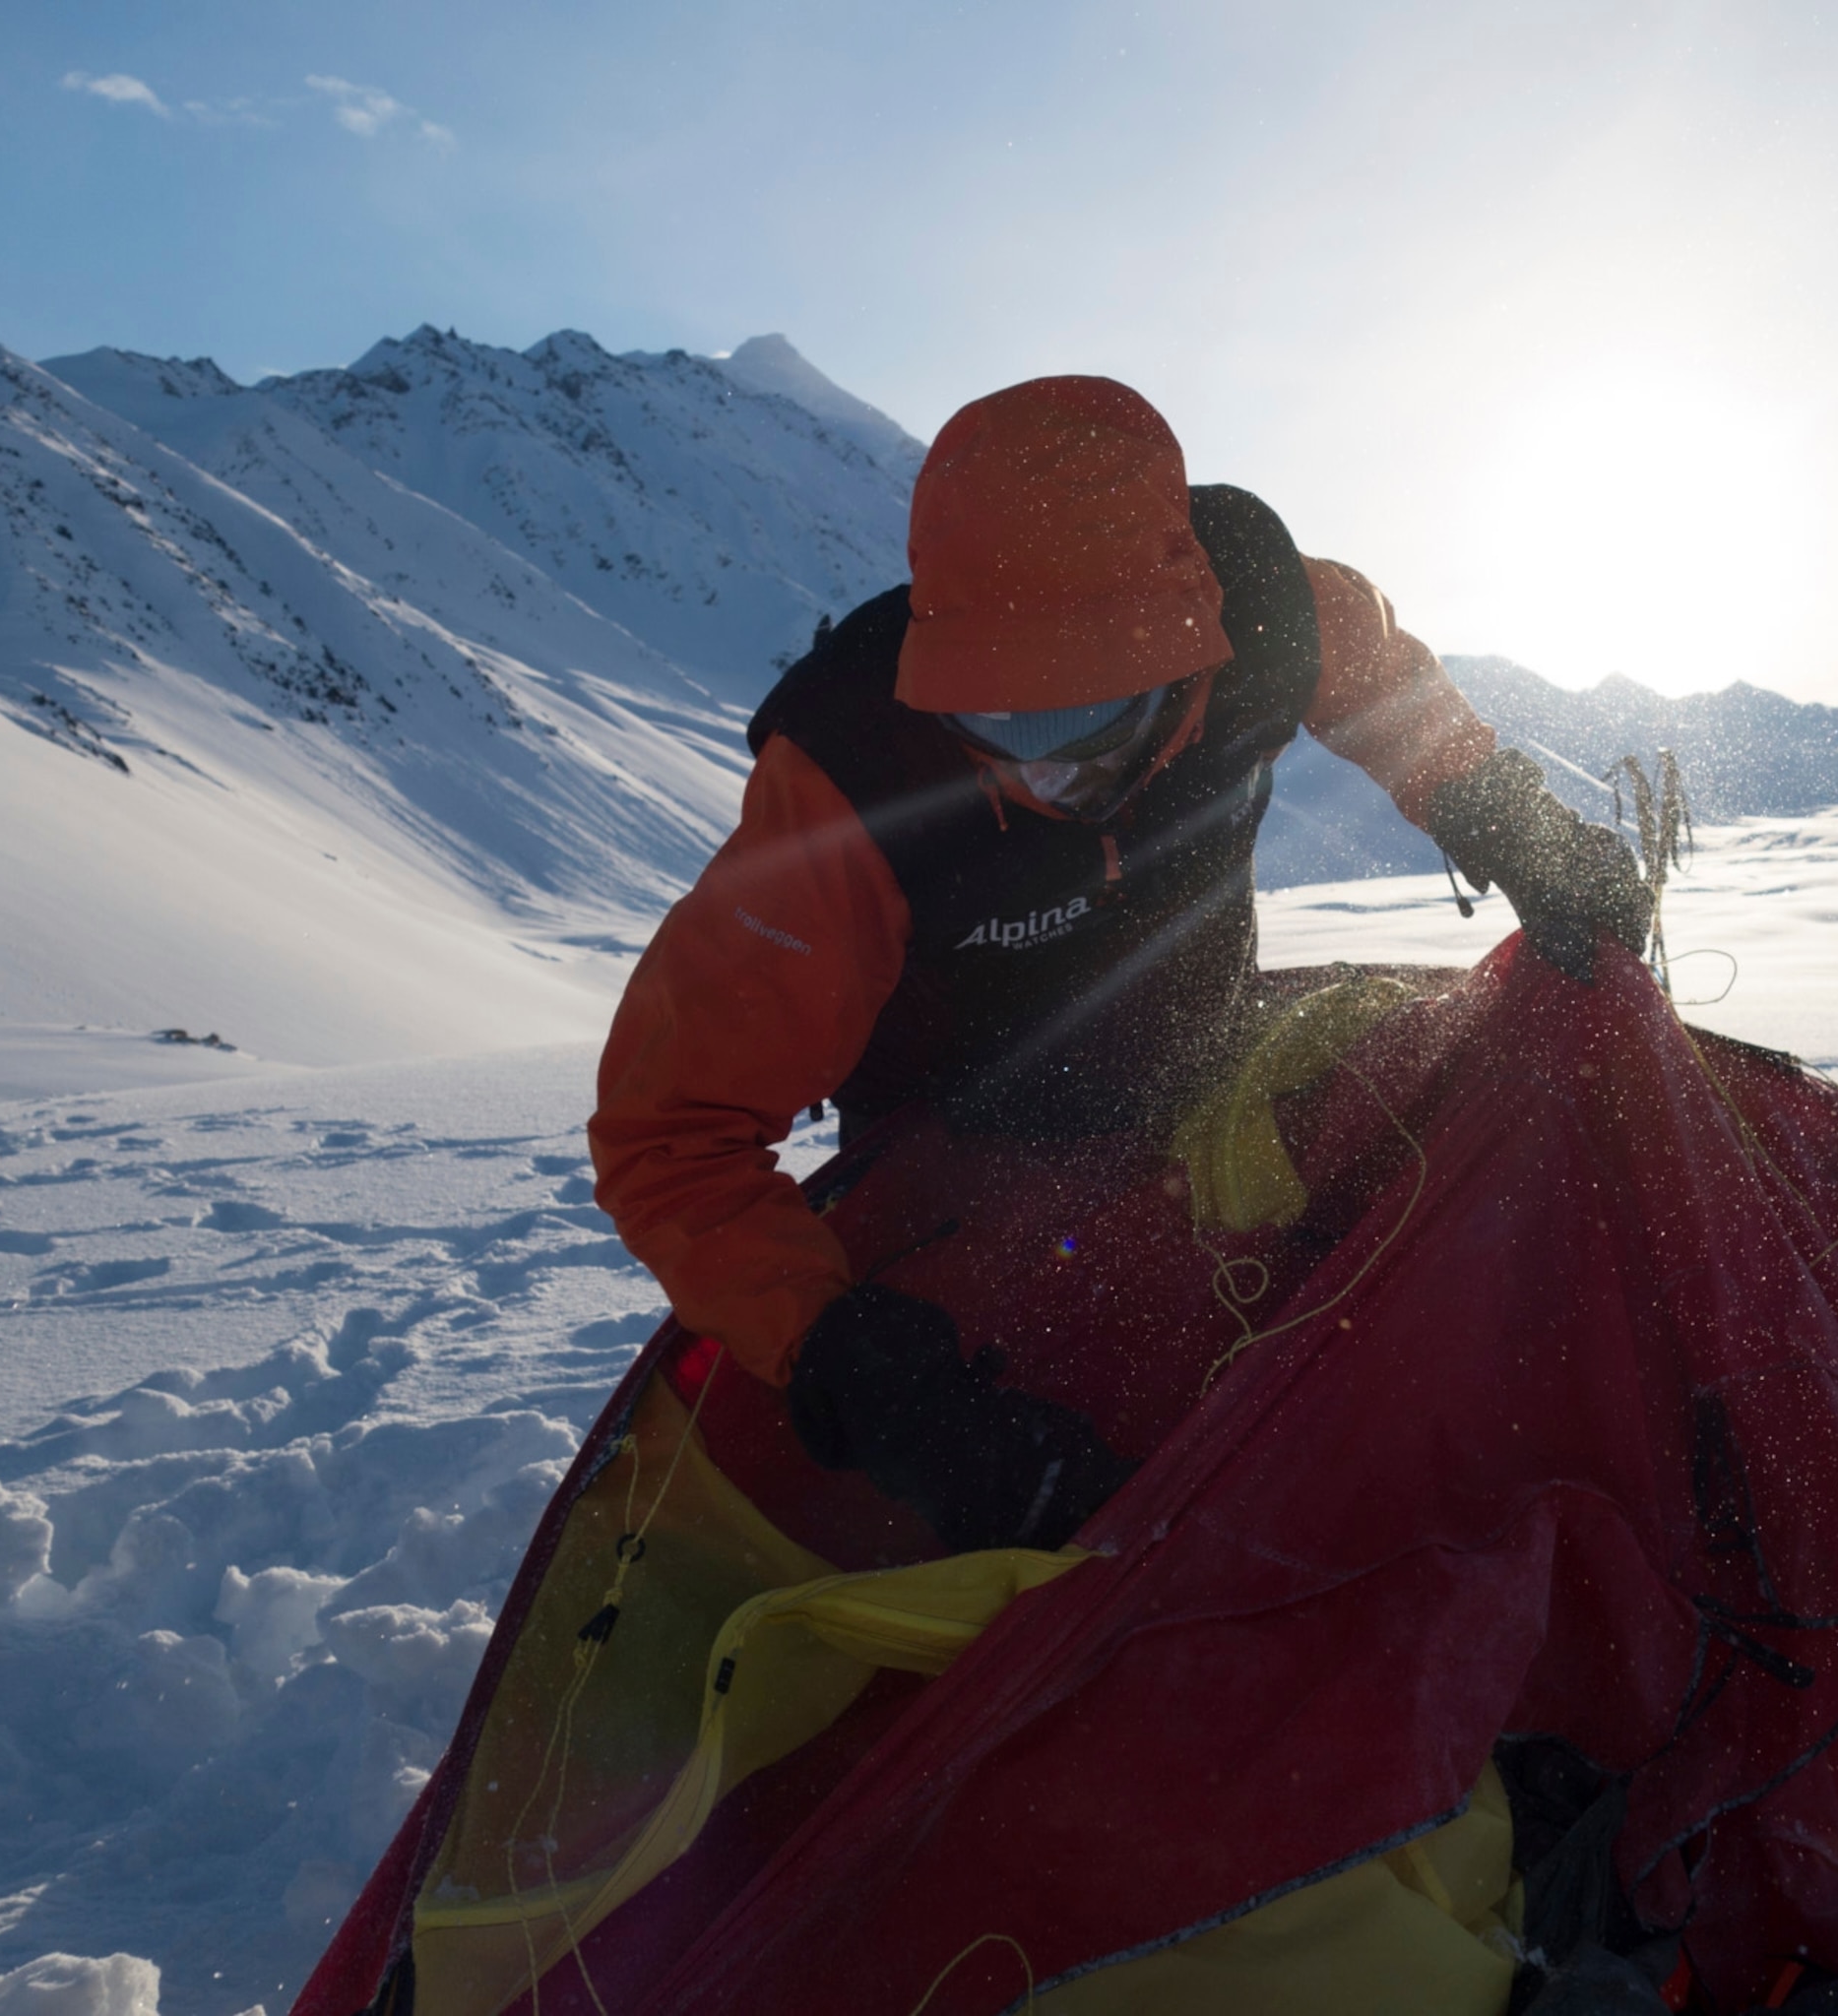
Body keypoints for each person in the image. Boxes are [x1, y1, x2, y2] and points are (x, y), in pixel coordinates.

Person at [589, 374, 1649, 1555]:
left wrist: (1506, 816)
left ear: (1191, 655)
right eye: (998, 724)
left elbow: (1382, 678)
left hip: (1203, 1093)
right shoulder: (854, 781)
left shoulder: (1267, 610)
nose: (1041, 773)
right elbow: (668, 1135)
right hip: (954, 1172)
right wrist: (861, 1368)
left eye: (1082, 725)